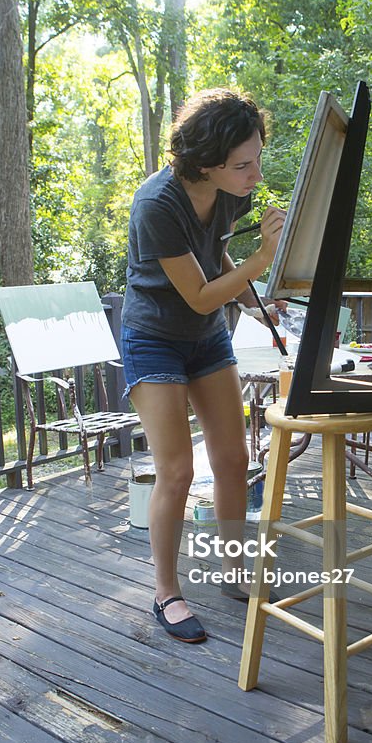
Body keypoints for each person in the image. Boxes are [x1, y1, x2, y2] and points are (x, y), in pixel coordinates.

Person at [121, 88, 285, 644]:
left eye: (258, 158)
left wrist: (251, 295)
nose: (255, 175)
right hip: (154, 339)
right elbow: (195, 294)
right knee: (178, 470)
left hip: (207, 338)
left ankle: (235, 569)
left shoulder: (229, 192)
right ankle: (166, 593)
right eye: (244, 165)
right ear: (207, 162)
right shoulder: (157, 206)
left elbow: (215, 257)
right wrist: (262, 260)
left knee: (236, 458)